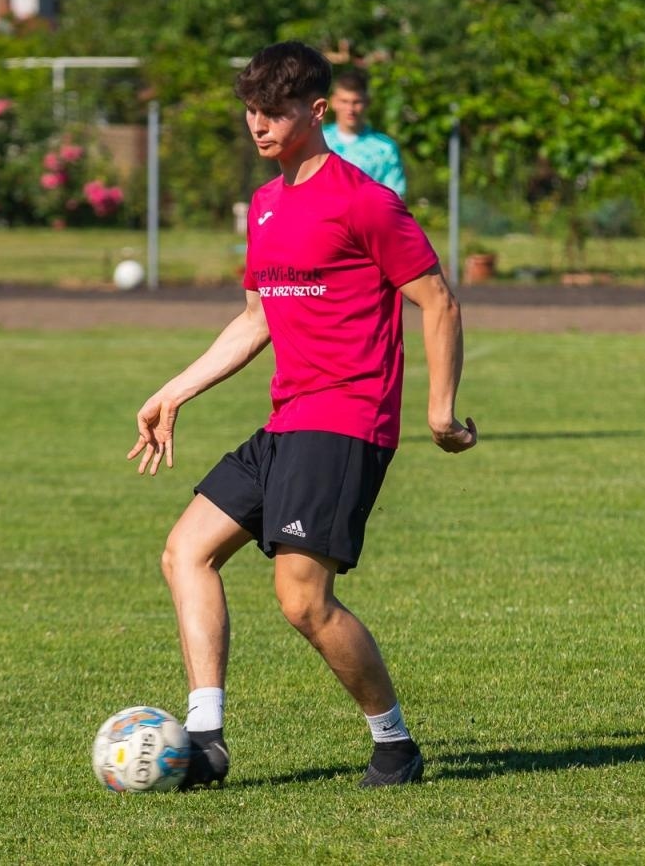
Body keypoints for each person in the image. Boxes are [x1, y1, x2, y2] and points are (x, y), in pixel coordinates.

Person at [128, 41, 476, 790]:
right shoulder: (264, 204)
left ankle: (394, 745)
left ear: (315, 112)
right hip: (289, 420)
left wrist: (441, 414)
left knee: (301, 600)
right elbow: (258, 318)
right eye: (250, 110)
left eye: (274, 112)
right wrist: (175, 390)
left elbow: (438, 300)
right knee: (185, 551)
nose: (257, 125)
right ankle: (206, 741)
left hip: (347, 421)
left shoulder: (364, 200)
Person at [323, 69, 407, 198]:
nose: (350, 109)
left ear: (367, 102)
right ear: (333, 102)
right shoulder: (317, 140)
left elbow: (394, 198)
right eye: (344, 101)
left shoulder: (385, 148)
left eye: (356, 102)